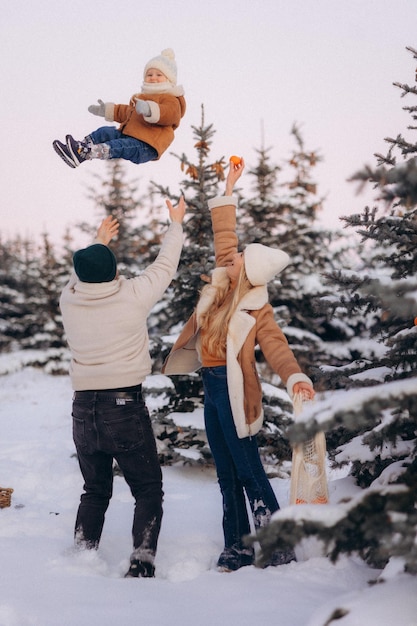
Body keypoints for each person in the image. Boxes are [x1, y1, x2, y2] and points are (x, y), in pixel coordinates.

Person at [162, 159, 315, 572]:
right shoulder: (224, 283)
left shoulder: (256, 306)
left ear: (246, 271)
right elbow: (225, 238)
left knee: (248, 469)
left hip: (235, 393)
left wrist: (296, 376)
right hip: (212, 392)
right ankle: (238, 547)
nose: (231, 256)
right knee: (225, 474)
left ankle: (278, 545)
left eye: (239, 257)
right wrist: (228, 187)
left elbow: (278, 348)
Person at [59, 196, 186, 578]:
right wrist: (175, 222)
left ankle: (82, 553)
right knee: (147, 488)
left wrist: (99, 242)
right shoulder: (132, 295)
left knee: (94, 490)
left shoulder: (70, 299)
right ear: (114, 272)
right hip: (124, 408)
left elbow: (79, 275)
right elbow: (166, 265)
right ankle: (142, 561)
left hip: (83, 410)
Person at [53, 48, 186, 169]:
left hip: (147, 146)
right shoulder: (142, 98)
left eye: (158, 75)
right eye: (149, 75)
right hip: (131, 136)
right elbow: (128, 113)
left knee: (119, 146)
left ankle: (87, 153)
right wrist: (107, 110)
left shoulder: (170, 99)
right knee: (105, 132)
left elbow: (170, 114)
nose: (153, 78)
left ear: (169, 79)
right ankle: (78, 150)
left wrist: (150, 110)